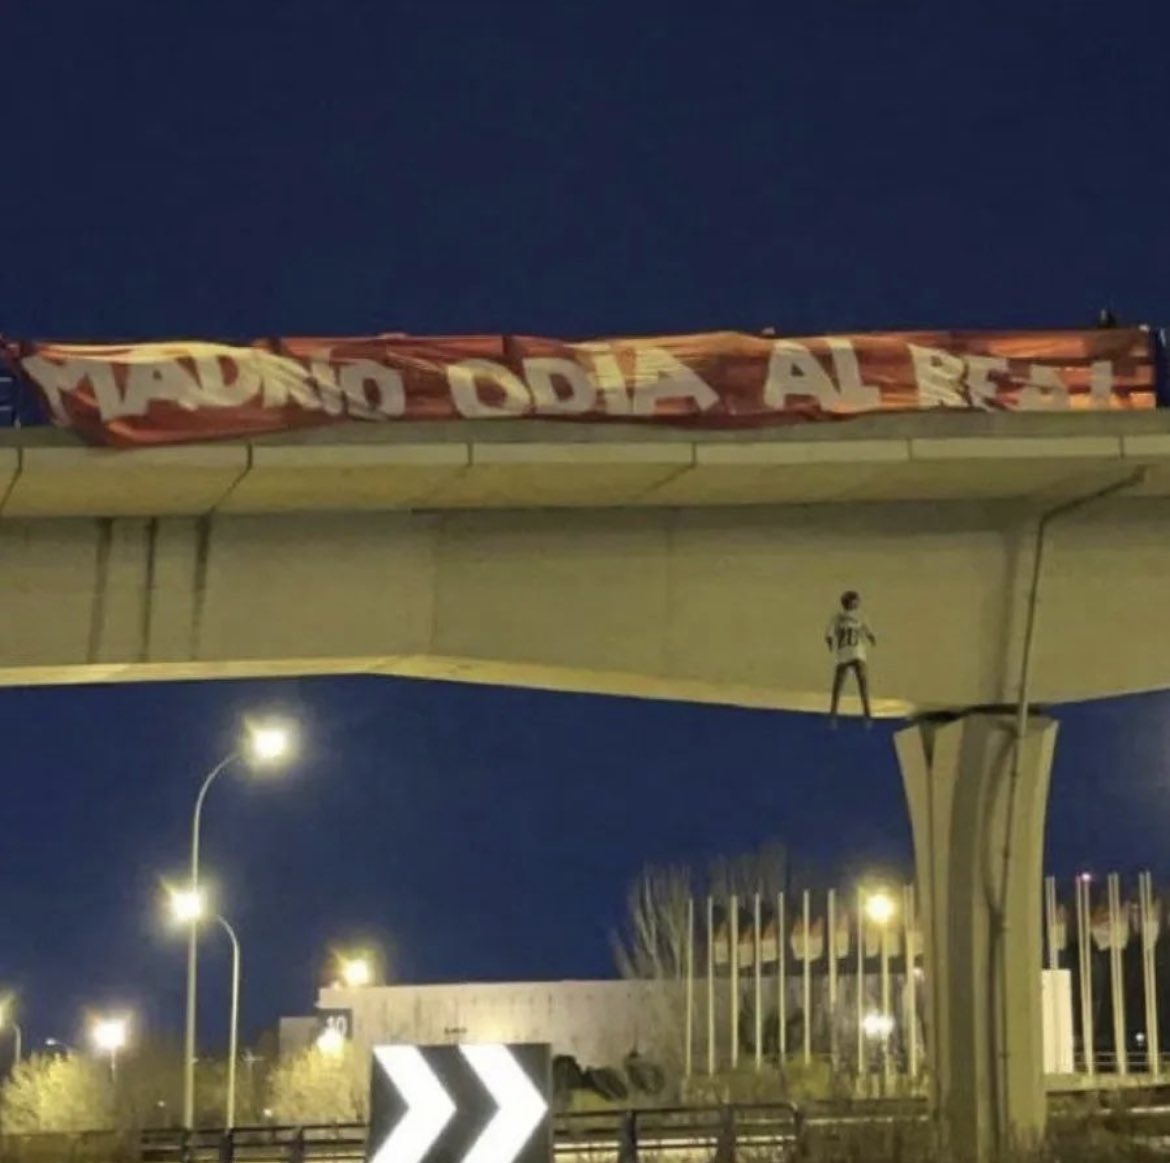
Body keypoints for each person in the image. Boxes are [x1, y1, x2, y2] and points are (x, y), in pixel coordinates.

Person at [825, 590, 876, 727]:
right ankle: (837, 716)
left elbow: (829, 634)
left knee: (853, 685)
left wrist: (830, 641)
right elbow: (868, 632)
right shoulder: (844, 617)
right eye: (855, 600)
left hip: (851, 653)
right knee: (851, 685)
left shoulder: (841, 617)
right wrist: (871, 638)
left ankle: (836, 716)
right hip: (850, 654)